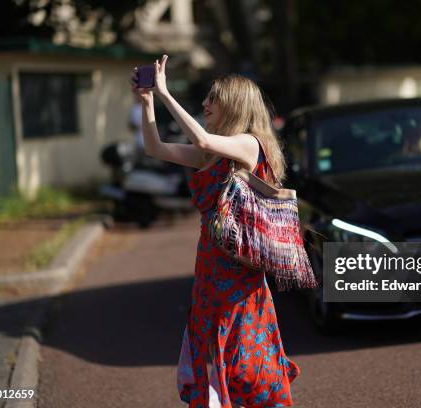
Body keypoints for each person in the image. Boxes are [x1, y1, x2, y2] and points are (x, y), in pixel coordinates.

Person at [129, 55, 301, 408]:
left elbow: (204, 142)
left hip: (238, 276)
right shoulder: (215, 154)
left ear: (234, 106)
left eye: (213, 99)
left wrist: (164, 93)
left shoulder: (250, 144)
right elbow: (155, 148)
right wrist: (148, 103)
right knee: (218, 361)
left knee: (244, 364)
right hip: (209, 272)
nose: (205, 103)